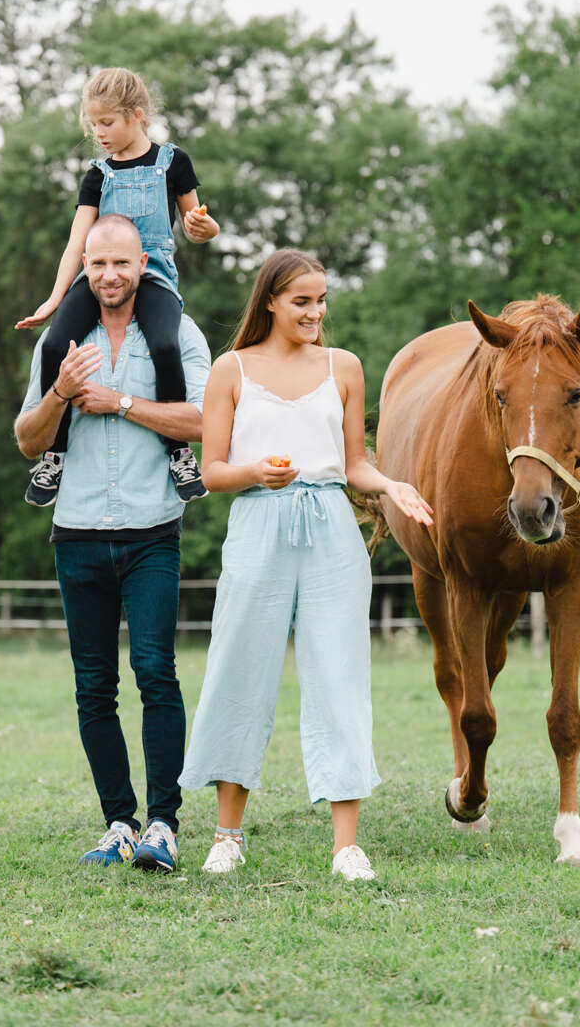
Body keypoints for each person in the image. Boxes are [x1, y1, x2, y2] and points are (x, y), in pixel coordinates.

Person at [177, 249, 434, 882]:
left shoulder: (344, 368)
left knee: (340, 678)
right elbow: (211, 472)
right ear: (270, 301)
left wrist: (391, 486)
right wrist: (254, 473)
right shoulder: (230, 369)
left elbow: (354, 465)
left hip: (330, 532)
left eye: (321, 301)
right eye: (302, 301)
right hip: (258, 525)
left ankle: (347, 845)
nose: (316, 312)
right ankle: (227, 835)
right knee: (238, 672)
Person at [15, 213, 212, 872]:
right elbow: (26, 439)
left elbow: (208, 421)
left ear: (143, 266)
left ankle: (164, 823)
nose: (108, 276)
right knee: (94, 686)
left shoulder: (177, 333)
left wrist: (122, 402)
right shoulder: (59, 344)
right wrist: (62, 396)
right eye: (96, 265)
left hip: (153, 532)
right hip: (76, 536)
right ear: (84, 269)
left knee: (156, 673)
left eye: (120, 264)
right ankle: (118, 822)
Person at [16, 67, 219, 507]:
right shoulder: (97, 175)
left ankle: (179, 453)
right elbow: (76, 243)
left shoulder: (173, 163)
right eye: (93, 124)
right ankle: (55, 454)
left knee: (165, 344)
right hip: (99, 279)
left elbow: (198, 224)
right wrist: (55, 299)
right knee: (54, 349)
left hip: (154, 276)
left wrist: (204, 227)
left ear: (137, 116)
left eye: (106, 122)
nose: (99, 133)